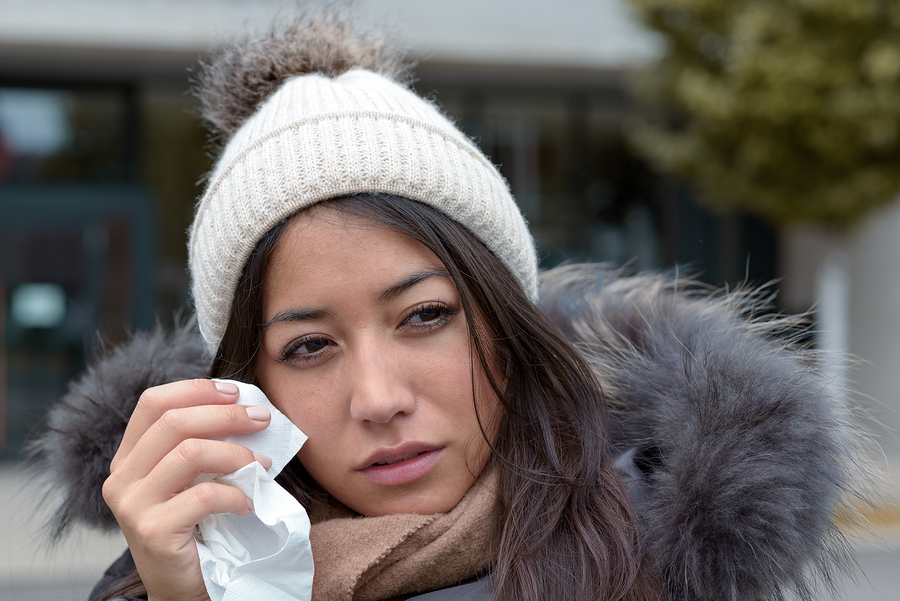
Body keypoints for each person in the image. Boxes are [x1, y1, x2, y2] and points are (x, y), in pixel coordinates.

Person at [34, 12, 871, 601]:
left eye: (425, 315)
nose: (379, 397)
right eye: (309, 347)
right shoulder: (179, 572)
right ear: (250, 390)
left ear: (507, 325)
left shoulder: (672, 559)